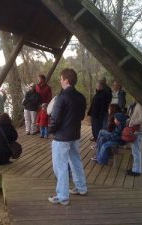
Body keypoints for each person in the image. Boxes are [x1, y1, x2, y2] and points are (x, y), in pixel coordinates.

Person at [48, 68, 87, 206]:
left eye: (61, 78)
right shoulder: (81, 97)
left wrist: (51, 130)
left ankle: (62, 196)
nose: (60, 80)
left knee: (60, 166)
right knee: (75, 161)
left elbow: (55, 119)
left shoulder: (62, 97)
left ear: (66, 80)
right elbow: (81, 116)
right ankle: (81, 188)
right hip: (75, 135)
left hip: (62, 138)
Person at [126, 101, 142, 176]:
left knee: (136, 151)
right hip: (135, 131)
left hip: (137, 132)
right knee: (135, 151)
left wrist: (132, 122)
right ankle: (135, 169)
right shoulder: (136, 104)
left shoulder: (141, 105)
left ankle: (137, 171)